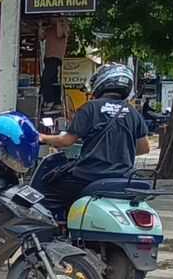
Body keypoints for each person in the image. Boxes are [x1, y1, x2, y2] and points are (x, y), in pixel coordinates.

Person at [35, 63, 150, 215]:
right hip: (123, 176)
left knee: (45, 190)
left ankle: (55, 231)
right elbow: (144, 148)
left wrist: (40, 136)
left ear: (102, 81)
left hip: (89, 175)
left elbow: (66, 141)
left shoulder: (90, 108)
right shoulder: (132, 112)